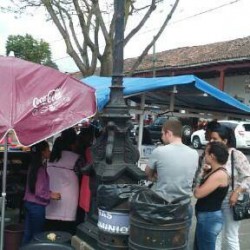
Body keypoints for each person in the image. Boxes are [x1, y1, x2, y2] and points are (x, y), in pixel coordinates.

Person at [208, 125, 250, 250]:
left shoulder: (235, 155)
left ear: (225, 141)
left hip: (230, 201)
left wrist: (237, 192)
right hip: (214, 200)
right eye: (211, 138)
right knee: (215, 234)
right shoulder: (211, 154)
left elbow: (248, 177)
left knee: (231, 236)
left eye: (215, 139)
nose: (211, 141)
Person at [145, 119, 199, 208]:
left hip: (163, 204)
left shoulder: (159, 151)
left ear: (168, 133)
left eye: (162, 134)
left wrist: (157, 177)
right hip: (184, 205)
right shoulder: (194, 153)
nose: (161, 137)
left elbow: (147, 174)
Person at [22, 141, 61, 245]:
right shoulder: (40, 168)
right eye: (48, 150)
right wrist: (51, 195)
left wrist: (50, 193)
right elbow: (39, 191)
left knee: (28, 234)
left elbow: (35, 188)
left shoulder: (33, 166)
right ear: (43, 152)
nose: (50, 151)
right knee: (37, 236)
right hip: (36, 207)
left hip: (29, 203)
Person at [194, 141, 229, 250]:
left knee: (205, 247)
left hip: (209, 217)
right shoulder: (213, 171)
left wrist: (200, 175)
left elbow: (197, 193)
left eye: (206, 153)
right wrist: (204, 172)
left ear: (212, 156)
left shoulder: (219, 174)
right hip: (207, 216)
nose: (204, 156)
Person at [45, 128, 80, 235]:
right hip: (69, 196)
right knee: (66, 230)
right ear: (73, 143)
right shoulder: (77, 158)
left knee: (50, 229)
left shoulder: (50, 157)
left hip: (52, 193)